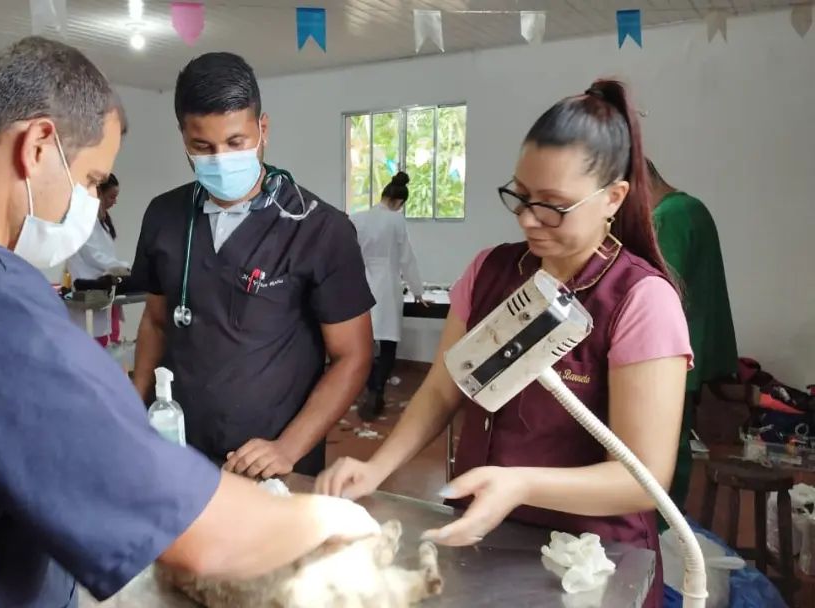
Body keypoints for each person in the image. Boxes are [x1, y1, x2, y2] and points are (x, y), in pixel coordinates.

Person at [0, 37, 380, 608]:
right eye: (92, 178)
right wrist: (331, 523)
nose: (89, 200)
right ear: (38, 146)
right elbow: (192, 532)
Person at [316, 80, 693, 608]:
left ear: (614, 197)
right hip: (485, 542)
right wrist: (376, 468)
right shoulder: (492, 272)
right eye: (520, 195)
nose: (527, 219)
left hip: (591, 566)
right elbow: (442, 391)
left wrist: (520, 484)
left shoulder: (640, 300)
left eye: (554, 206)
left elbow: (642, 478)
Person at [130, 52, 375, 479]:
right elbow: (155, 322)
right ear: (183, 137)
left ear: (263, 129)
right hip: (177, 450)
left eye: (236, 142)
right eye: (202, 147)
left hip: (271, 459)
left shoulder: (318, 228)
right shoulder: (164, 216)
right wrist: (134, 408)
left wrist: (288, 447)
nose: (220, 158)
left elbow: (352, 355)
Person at [648, 158, 738, 511]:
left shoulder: (668, 216)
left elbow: (654, 288)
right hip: (695, 354)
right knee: (676, 447)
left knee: (662, 456)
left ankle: (662, 536)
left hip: (671, 358)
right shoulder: (693, 208)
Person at [350, 171, 424, 422]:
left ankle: (369, 389)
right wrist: (418, 291)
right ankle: (377, 390)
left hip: (361, 286)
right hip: (388, 288)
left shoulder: (358, 218)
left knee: (365, 344)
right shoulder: (396, 221)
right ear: (399, 202)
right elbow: (407, 259)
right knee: (389, 343)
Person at [66, 172, 129, 346]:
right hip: (88, 289)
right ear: (98, 193)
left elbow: (104, 256)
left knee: (107, 338)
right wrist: (124, 267)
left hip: (103, 291)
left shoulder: (101, 221)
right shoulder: (83, 220)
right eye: (111, 196)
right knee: (92, 342)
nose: (114, 201)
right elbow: (93, 255)